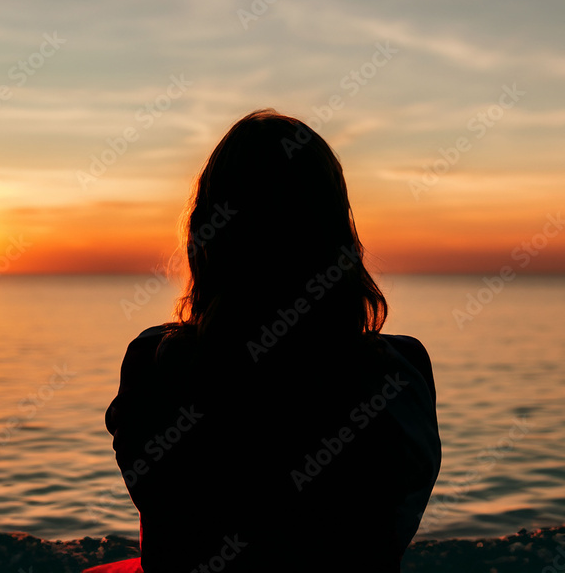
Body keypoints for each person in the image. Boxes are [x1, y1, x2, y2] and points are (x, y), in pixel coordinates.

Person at [86, 110, 441, 572]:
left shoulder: (158, 365)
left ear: (208, 234)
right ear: (338, 235)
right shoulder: (402, 372)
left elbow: (171, 523)